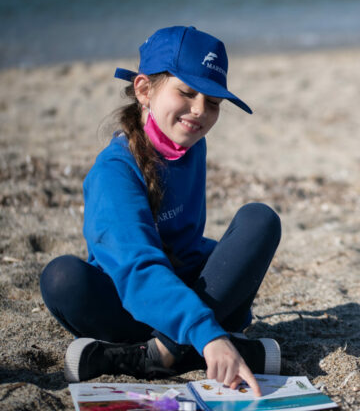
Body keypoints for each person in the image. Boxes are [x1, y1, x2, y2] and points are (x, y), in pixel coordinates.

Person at [40, 26, 280, 395]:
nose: (200, 110)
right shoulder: (113, 172)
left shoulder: (191, 141)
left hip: (189, 291)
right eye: (186, 92)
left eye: (213, 102)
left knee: (259, 221)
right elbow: (137, 269)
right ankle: (197, 348)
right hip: (130, 302)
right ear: (144, 90)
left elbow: (189, 247)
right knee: (61, 278)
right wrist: (207, 332)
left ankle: (156, 354)